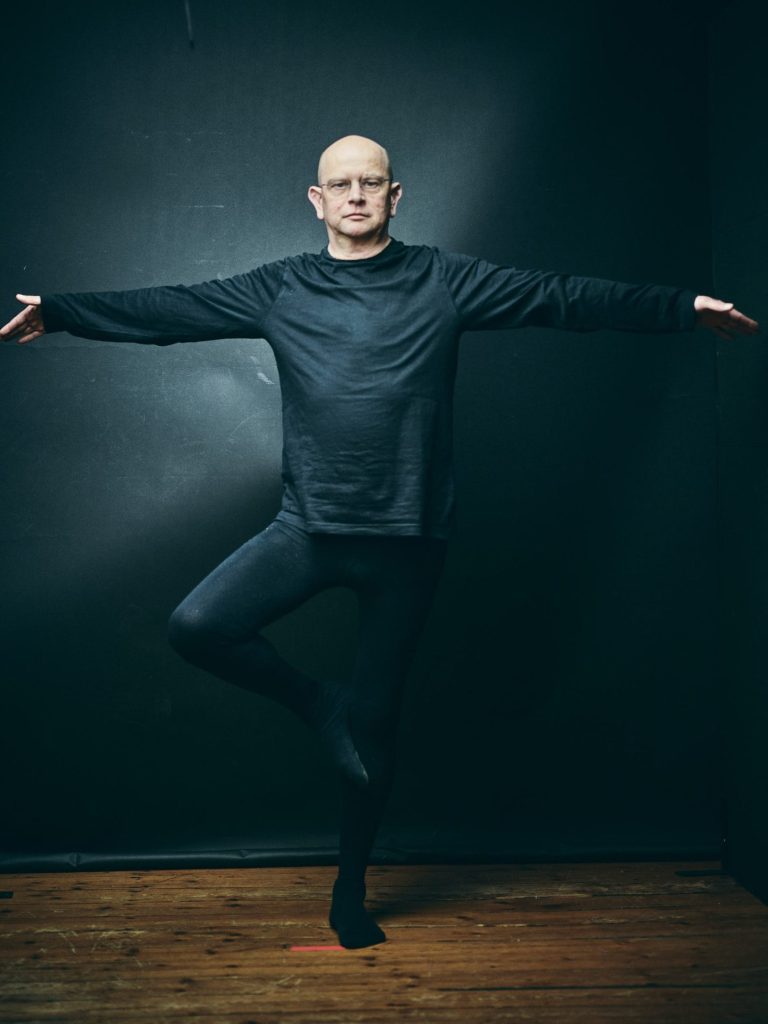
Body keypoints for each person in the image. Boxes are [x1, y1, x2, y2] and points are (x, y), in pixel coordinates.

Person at [1, 135, 759, 949]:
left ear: (395, 196)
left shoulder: (445, 280)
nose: (356, 195)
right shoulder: (281, 287)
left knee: (373, 733)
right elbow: (173, 310)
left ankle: (351, 887)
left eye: (371, 182)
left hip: (410, 542)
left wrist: (683, 307)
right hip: (309, 529)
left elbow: (562, 297)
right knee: (199, 625)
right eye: (341, 184)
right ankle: (318, 703)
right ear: (317, 200)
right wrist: (65, 311)